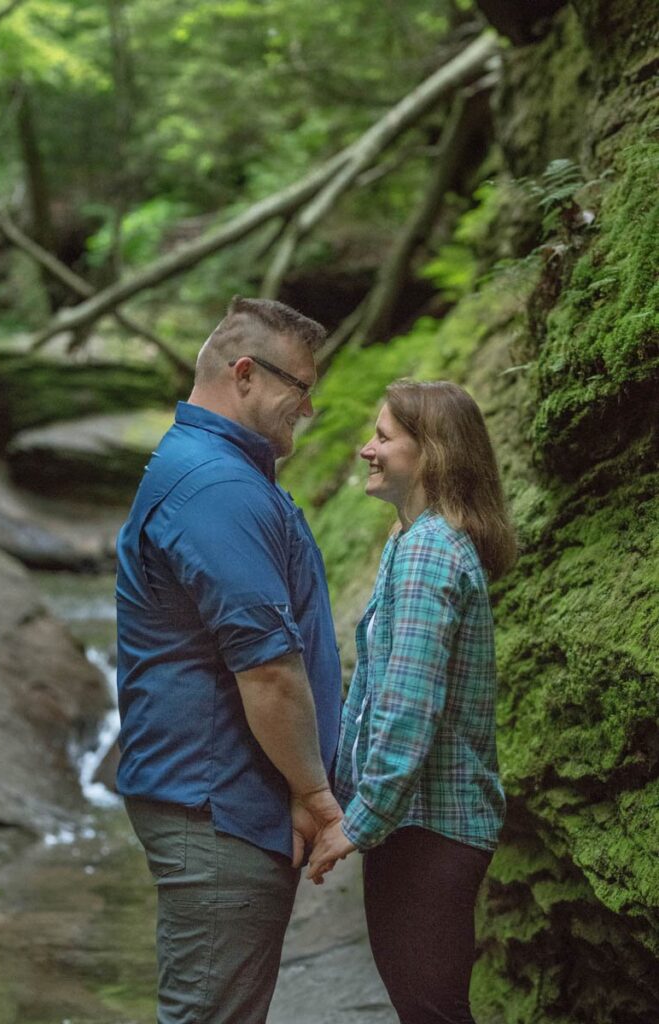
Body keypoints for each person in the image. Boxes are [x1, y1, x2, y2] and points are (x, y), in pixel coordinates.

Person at [115, 296, 343, 1024]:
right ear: (244, 374)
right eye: (299, 389)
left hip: (220, 801)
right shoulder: (216, 486)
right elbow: (269, 671)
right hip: (220, 807)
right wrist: (313, 794)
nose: (307, 409)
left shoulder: (216, 471)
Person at [308, 379, 517, 1024]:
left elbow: (407, 708)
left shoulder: (428, 552)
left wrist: (357, 821)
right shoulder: (409, 541)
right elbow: (377, 700)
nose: (367, 449)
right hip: (417, 827)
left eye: (384, 437)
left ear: (432, 454)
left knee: (433, 1013)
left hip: (433, 829)